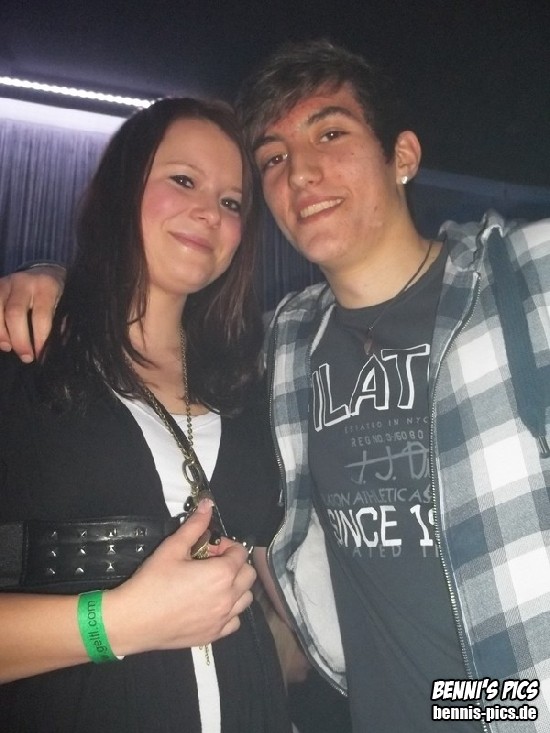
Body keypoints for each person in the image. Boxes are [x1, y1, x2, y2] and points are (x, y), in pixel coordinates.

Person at [2, 40, 549, 732]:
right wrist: (52, 281)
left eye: (331, 134)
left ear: (403, 156)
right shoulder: (282, 349)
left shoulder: (528, 280)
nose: (303, 172)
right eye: (273, 159)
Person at [0, 97, 291, 733]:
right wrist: (115, 624)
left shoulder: (250, 387)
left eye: (231, 202)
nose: (209, 212)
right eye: (183, 180)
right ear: (119, 190)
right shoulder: (23, 354)